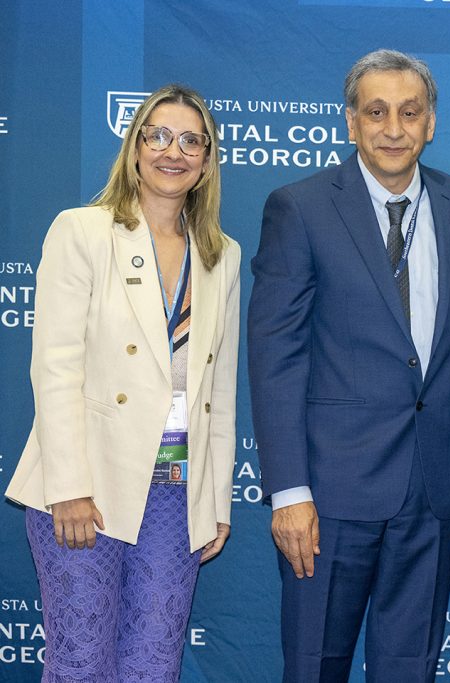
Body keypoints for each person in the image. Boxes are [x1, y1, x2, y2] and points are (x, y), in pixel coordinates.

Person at [248, 49, 450, 682]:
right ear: (350, 122)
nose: (393, 128)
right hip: (328, 495)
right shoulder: (299, 207)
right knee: (315, 664)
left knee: (412, 667)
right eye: (376, 112)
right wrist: (289, 491)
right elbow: (276, 357)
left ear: (430, 122)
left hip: (435, 490)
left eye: (409, 113)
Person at [5, 84, 240, 681]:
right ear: (135, 147)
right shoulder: (83, 231)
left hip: (174, 488)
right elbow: (54, 366)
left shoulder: (222, 256)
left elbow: (219, 390)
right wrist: (68, 487)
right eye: (158, 135)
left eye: (192, 140)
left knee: (153, 666)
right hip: (90, 486)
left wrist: (213, 502)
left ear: (208, 160)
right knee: (81, 662)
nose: (174, 151)